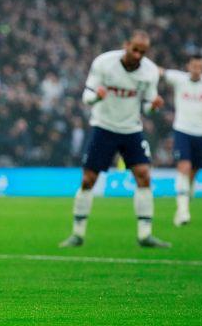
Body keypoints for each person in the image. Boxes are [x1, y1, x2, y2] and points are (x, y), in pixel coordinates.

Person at [59, 30, 171, 248]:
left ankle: (145, 235)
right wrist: (96, 97)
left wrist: (154, 107)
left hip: (131, 129)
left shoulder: (149, 72)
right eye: (135, 49)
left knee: (144, 176)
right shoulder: (104, 63)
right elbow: (87, 96)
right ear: (126, 45)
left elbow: (148, 108)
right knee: (88, 180)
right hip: (104, 127)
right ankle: (77, 234)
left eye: (143, 51)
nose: (138, 55)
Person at [160, 54, 202, 226]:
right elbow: (160, 72)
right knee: (184, 166)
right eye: (194, 66)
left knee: (193, 172)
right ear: (188, 66)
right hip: (182, 131)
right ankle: (183, 211)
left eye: (200, 67)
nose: (197, 70)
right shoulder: (179, 79)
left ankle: (184, 201)